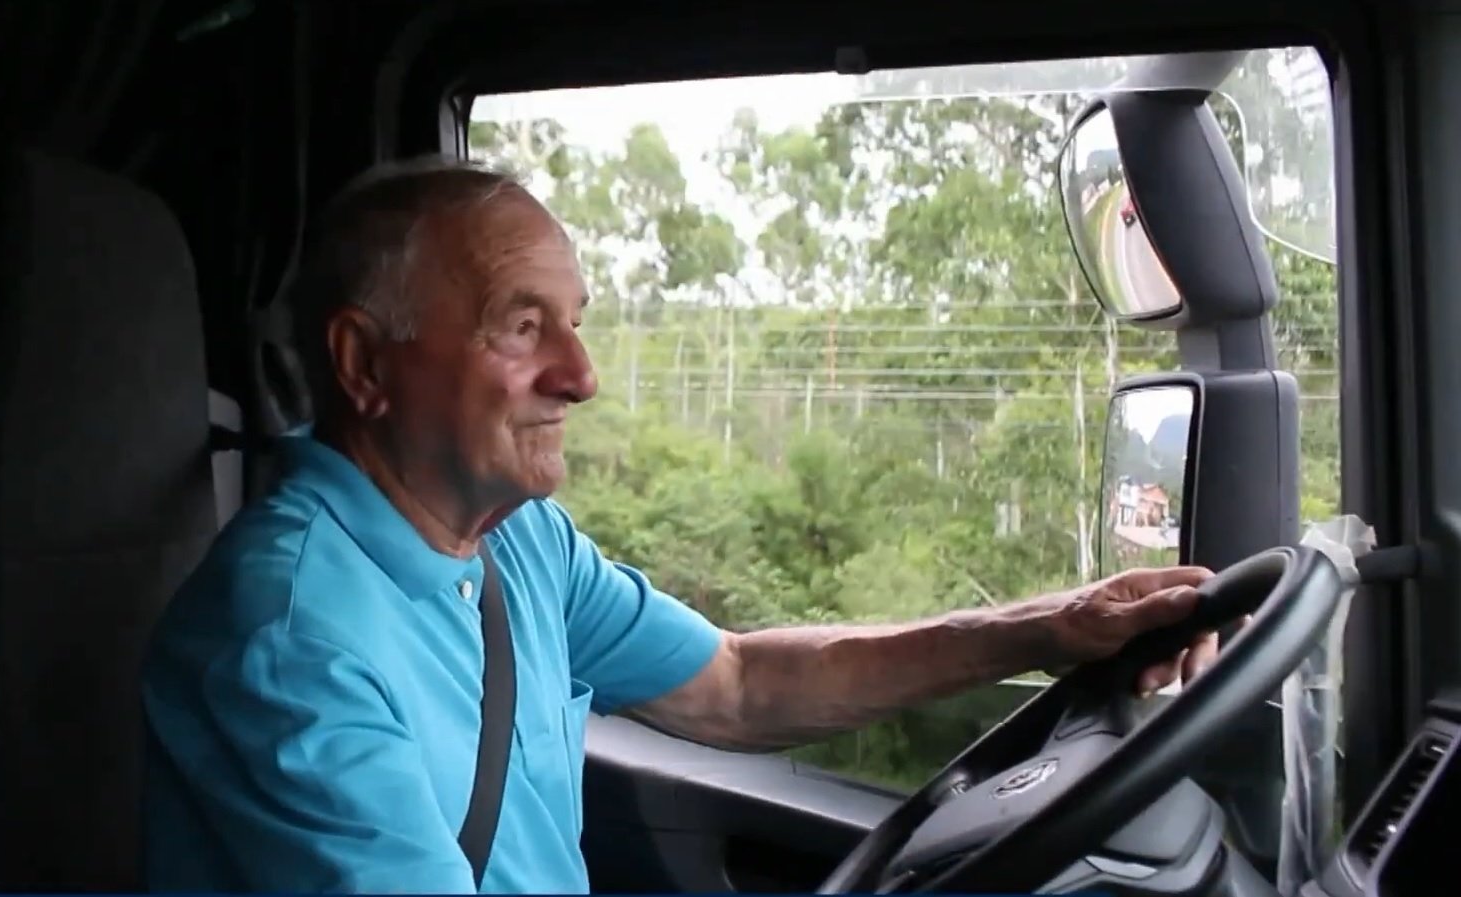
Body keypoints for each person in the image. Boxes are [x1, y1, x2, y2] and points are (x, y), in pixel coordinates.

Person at [139, 156, 1220, 894]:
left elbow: (739, 683)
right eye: (524, 328)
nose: (582, 376)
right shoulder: (287, 639)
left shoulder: (519, 544)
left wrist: (1050, 629)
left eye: (577, 324)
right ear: (365, 366)